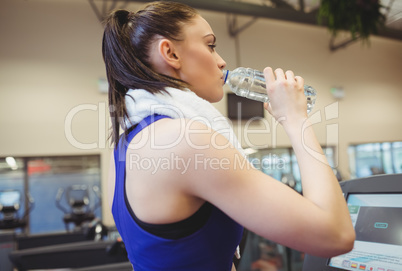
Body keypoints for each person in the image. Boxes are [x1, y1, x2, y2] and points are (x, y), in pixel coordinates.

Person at [102, 2, 355, 271]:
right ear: (170, 52)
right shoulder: (185, 140)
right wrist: (296, 119)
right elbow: (336, 235)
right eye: (210, 45)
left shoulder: (124, 146)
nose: (221, 61)